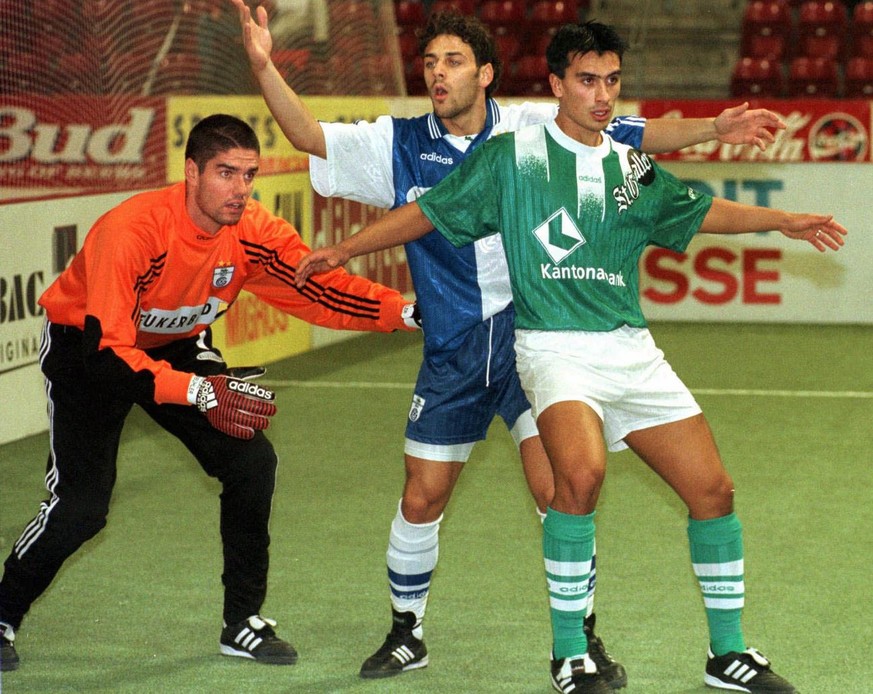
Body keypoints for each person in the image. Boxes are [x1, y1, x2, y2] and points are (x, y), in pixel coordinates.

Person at [231, 2, 790, 686]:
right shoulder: (396, 143)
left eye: (453, 61)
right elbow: (308, 135)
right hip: (457, 345)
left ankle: (580, 639)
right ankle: (407, 632)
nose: (438, 74)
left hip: (534, 337)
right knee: (421, 497)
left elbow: (632, 138)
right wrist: (263, 66)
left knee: (564, 486)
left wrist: (715, 128)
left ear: (486, 74)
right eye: (429, 62)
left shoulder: (533, 122)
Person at [0, 114, 419, 673]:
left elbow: (316, 288)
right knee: (82, 508)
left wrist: (407, 311)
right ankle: (3, 613)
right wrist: (198, 390)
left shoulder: (250, 231)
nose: (240, 190)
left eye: (249, 175)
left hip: (175, 343)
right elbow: (111, 357)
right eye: (226, 173)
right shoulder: (133, 231)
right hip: (93, 351)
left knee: (251, 462)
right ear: (191, 172)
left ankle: (241, 621)